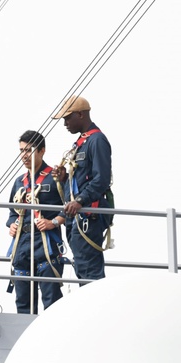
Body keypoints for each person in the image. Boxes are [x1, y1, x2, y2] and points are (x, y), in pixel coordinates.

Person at [6, 130, 67, 313]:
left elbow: (71, 210)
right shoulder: (19, 182)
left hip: (46, 244)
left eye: (29, 150)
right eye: (21, 151)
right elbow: (11, 213)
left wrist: (53, 222)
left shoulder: (56, 178)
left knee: (52, 302)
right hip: (22, 245)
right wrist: (12, 225)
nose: (24, 155)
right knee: (23, 303)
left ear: (42, 151)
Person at [52, 95, 112, 281]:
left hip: (88, 215)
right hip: (77, 216)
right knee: (81, 266)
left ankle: (96, 308)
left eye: (67, 118)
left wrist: (79, 200)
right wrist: (63, 179)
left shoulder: (97, 140)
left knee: (88, 270)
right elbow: (82, 179)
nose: (65, 124)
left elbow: (101, 180)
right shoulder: (82, 142)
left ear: (80, 114)